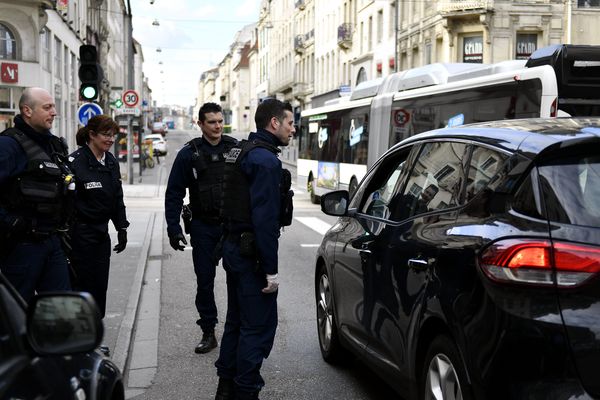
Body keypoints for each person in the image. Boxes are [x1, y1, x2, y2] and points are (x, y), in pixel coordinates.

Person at [215, 98, 295, 400]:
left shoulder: (240, 152)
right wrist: (270, 270)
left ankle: (225, 388)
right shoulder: (266, 161)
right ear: (274, 123)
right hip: (252, 258)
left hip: (234, 250)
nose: (293, 129)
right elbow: (264, 220)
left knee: (236, 322)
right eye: (289, 123)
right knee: (257, 328)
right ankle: (245, 392)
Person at [164, 102, 237, 354]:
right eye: (212, 122)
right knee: (205, 282)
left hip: (231, 228)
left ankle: (236, 330)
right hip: (203, 228)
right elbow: (174, 193)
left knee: (238, 279)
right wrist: (174, 228)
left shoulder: (234, 149)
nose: (218, 126)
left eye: (220, 121)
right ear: (201, 124)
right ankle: (208, 331)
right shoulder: (189, 154)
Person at [0, 87, 74, 301]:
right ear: (27, 111)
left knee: (60, 307)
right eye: (47, 107)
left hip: (53, 241)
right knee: (16, 313)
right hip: (22, 246)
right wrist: (10, 222)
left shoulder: (54, 145)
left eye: (54, 106)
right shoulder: (8, 146)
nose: (54, 112)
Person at [67, 115, 129, 324]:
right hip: (80, 236)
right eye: (106, 134)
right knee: (82, 287)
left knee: (99, 287)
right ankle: (79, 335)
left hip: (101, 235)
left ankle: (94, 333)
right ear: (92, 135)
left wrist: (121, 227)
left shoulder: (110, 161)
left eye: (113, 135)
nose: (111, 139)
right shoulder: (75, 162)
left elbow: (116, 197)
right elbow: (66, 205)